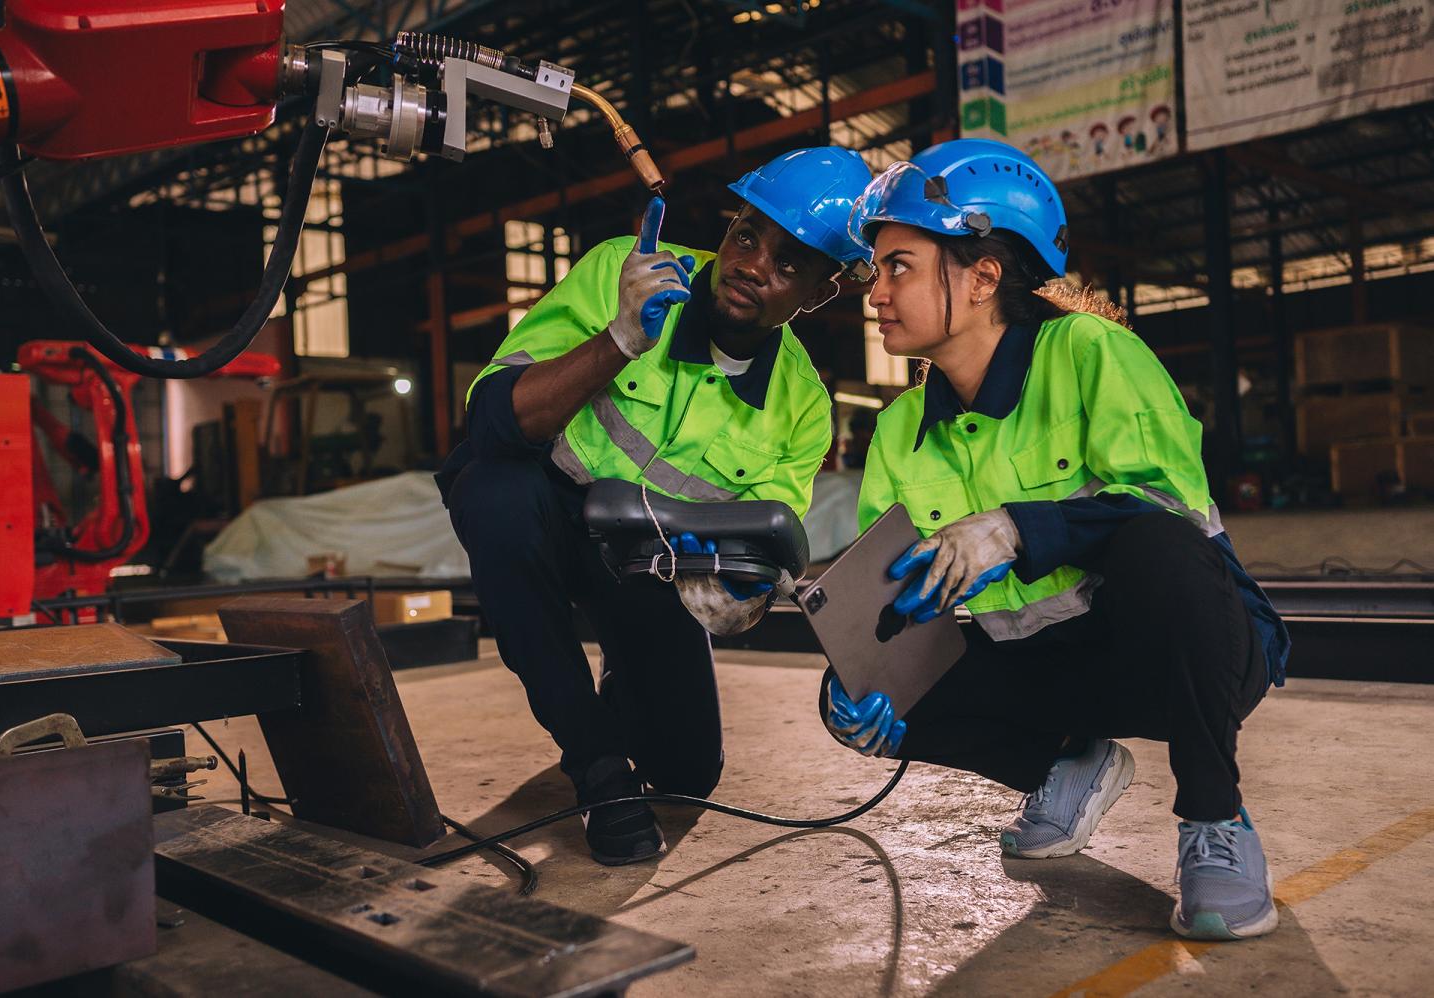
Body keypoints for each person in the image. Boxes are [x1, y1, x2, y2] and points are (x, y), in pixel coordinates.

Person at [819, 138, 1290, 941]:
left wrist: (1013, 529)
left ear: (981, 276)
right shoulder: (901, 430)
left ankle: (1215, 821)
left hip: (1182, 654)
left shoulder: (1093, 356)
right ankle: (1065, 769)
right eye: (876, 271)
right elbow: (894, 599)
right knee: (846, 699)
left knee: (1160, 548)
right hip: (1052, 672)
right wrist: (865, 673)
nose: (876, 293)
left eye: (898, 265)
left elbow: (1172, 513)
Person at [438, 147, 875, 865]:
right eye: (746, 236)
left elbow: (752, 561)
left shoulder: (801, 409)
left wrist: (742, 592)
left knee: (687, 775)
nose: (752, 265)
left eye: (790, 265)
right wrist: (620, 338)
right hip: (541, 515)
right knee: (494, 494)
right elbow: (493, 425)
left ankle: (622, 692)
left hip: (648, 569)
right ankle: (597, 764)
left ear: (823, 293)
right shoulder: (627, 271)